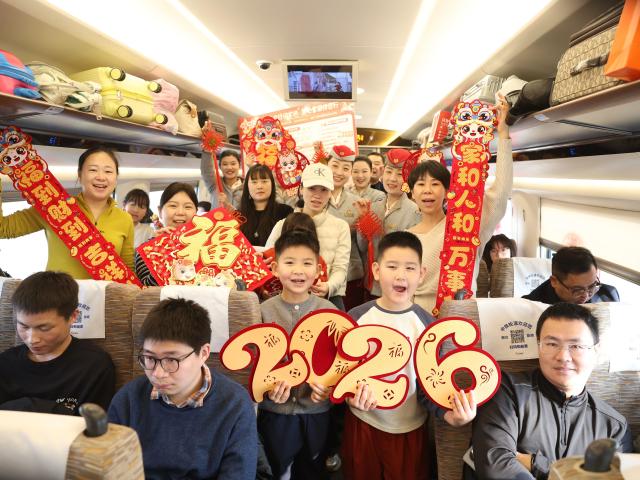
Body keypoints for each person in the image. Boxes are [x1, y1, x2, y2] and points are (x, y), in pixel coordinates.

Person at [343, 231, 478, 480]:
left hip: (410, 429)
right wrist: (349, 398)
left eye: (409, 268)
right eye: (392, 266)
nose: (400, 275)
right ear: (375, 269)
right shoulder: (355, 318)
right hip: (362, 423)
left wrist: (452, 416)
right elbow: (340, 374)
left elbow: (430, 387)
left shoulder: (428, 327)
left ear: (421, 274)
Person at [471, 302, 632, 480]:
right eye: (552, 344)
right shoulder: (508, 392)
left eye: (576, 346)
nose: (563, 356)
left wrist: (535, 464)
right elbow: (496, 466)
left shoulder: (614, 426)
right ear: (538, 346)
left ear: (596, 351)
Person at [108, 298, 257, 480]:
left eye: (172, 360)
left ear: (203, 353)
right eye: (150, 358)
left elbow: (238, 474)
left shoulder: (234, 404)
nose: (158, 373)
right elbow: (110, 467)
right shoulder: (128, 399)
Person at [409, 95, 513, 314]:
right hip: (415, 321)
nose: (427, 190)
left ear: (448, 192)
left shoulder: (466, 227)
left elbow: (501, 194)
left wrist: (503, 135)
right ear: (411, 194)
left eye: (435, 184)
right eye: (420, 184)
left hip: (459, 320)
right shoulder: (405, 238)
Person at [259, 229, 336, 479]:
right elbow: (253, 364)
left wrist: (330, 388)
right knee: (276, 469)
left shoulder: (329, 311)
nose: (299, 271)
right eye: (290, 262)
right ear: (275, 268)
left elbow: (340, 363)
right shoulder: (262, 311)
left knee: (311, 470)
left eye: (307, 263)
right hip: (275, 412)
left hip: (316, 410)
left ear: (317, 270)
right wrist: (266, 389)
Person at [0, 146, 134, 278]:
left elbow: (128, 271)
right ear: (80, 175)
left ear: (116, 178)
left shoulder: (125, 219)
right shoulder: (54, 206)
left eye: (108, 171)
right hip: (57, 297)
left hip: (104, 299)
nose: (101, 177)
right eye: (93, 170)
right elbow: (3, 229)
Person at [0, 271, 115, 414]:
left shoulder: (94, 365)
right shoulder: (5, 364)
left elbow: (94, 425)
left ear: (73, 317)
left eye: (44, 328)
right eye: (23, 326)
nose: (32, 339)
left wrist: (28, 406)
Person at [265, 163, 350, 310]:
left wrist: (329, 287)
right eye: (311, 188)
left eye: (324, 190)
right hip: (287, 297)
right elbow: (268, 258)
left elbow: (340, 267)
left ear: (331, 192)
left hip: (327, 297)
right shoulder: (282, 224)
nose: (317, 195)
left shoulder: (340, 226)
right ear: (301, 189)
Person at [326, 146, 367, 311]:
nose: (339, 172)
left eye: (345, 168)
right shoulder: (313, 198)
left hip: (350, 274)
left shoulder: (357, 202)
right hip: (320, 275)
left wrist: (364, 220)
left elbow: (363, 246)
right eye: (334, 165)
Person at [135, 182, 198, 286]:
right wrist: (166, 250)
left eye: (188, 207)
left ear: (196, 212)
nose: (180, 212)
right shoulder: (147, 250)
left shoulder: (207, 246)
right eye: (173, 206)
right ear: (160, 211)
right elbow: (147, 289)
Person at [523, 246, 619, 304]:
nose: (585, 296)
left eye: (592, 286)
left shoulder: (608, 296)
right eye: (577, 290)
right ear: (554, 282)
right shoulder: (531, 306)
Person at [239, 164, 293, 247]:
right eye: (254, 182)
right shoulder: (238, 216)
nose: (259, 186)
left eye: (264, 181)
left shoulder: (285, 212)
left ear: (272, 184)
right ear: (247, 186)